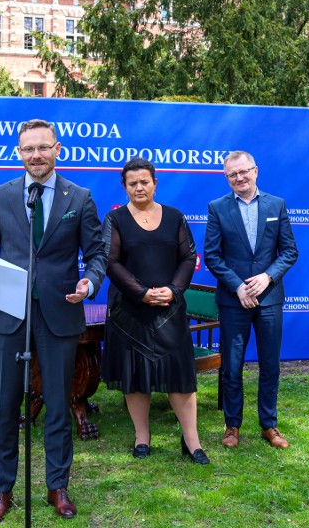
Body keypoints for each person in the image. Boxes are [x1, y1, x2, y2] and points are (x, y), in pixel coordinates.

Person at [0, 119, 106, 522]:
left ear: (57, 149)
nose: (36, 156)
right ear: (19, 153)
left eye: (43, 148)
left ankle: (57, 486)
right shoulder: (1, 194)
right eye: (28, 149)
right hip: (8, 313)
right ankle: (2, 488)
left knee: (60, 405)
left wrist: (90, 280)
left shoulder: (79, 197)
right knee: (5, 406)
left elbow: (96, 254)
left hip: (60, 313)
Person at [102, 158, 209, 465]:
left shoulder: (175, 217)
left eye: (144, 181)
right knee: (135, 376)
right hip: (129, 313)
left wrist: (172, 291)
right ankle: (141, 436)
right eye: (132, 183)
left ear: (155, 183)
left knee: (180, 376)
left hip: (170, 311)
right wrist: (142, 293)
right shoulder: (116, 220)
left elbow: (189, 257)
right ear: (124, 186)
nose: (139, 187)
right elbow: (111, 262)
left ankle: (192, 441)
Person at [203, 150, 298, 450]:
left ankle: (269, 425)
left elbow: (289, 251)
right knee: (232, 366)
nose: (239, 178)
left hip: (269, 300)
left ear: (255, 171)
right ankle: (233, 426)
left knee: (270, 365)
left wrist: (268, 277)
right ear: (226, 178)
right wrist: (237, 288)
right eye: (233, 174)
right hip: (234, 303)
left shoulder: (276, 205)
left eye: (244, 172)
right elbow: (212, 256)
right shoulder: (217, 208)